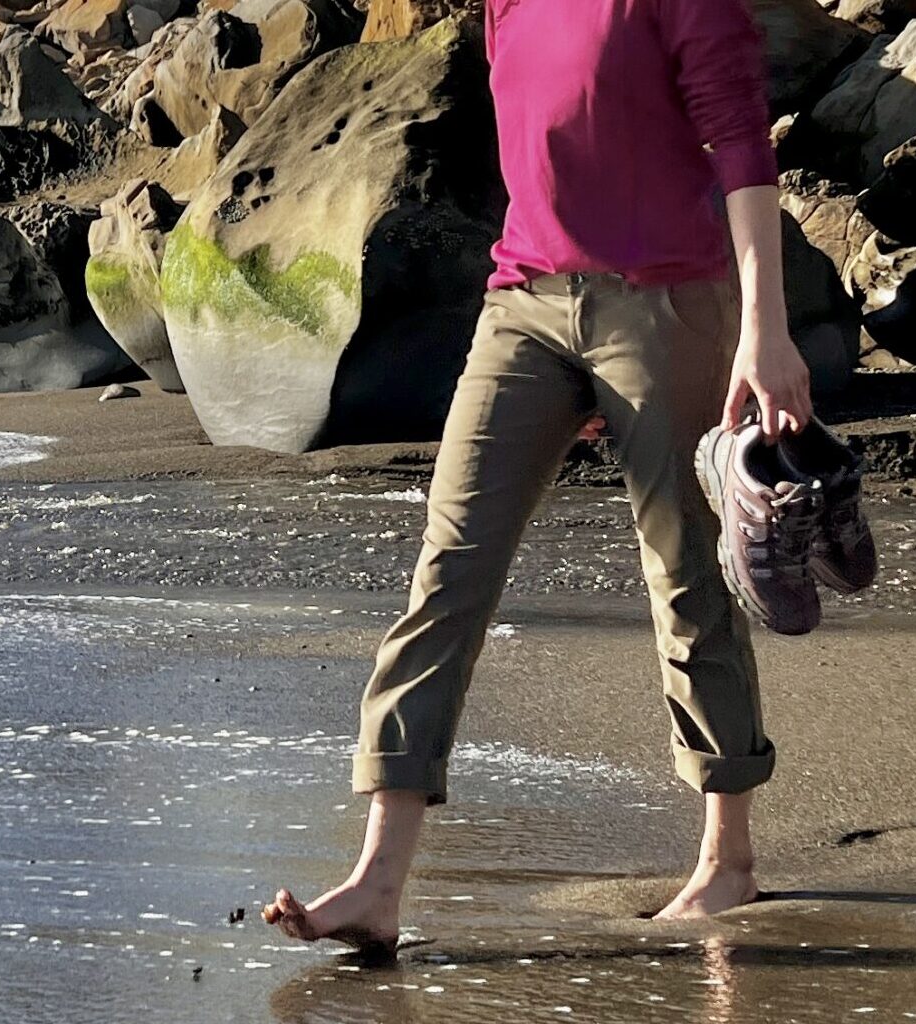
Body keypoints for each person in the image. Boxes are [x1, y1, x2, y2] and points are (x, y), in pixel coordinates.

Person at [264, 0, 814, 946]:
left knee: (684, 575)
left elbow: (740, 146)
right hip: (521, 303)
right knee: (447, 570)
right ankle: (376, 881)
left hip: (663, 308)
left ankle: (728, 861)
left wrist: (764, 327)